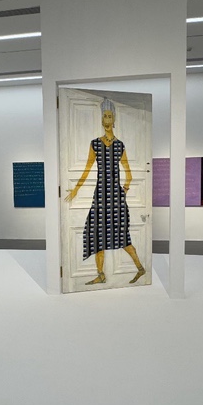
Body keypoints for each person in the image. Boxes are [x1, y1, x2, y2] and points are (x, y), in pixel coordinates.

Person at [65, 98, 145, 285]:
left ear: (114, 119)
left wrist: (124, 190)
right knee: (96, 234)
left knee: (121, 235)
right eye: (104, 116)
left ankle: (140, 268)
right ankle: (101, 274)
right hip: (100, 195)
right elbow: (87, 169)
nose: (106, 119)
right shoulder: (95, 144)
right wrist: (76, 189)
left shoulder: (120, 145)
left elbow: (129, 174)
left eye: (109, 116)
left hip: (116, 198)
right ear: (101, 119)